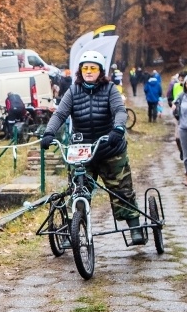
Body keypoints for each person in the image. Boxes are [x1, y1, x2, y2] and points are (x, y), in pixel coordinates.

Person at [40, 50, 144, 245]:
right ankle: (74, 230)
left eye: (93, 68)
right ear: (80, 70)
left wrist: (119, 129)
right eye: (85, 68)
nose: (89, 71)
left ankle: (135, 227)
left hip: (109, 148)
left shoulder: (110, 89)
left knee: (121, 189)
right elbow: (60, 114)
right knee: (77, 190)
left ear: (100, 71)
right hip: (82, 151)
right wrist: (49, 133)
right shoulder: (73, 91)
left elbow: (119, 111)